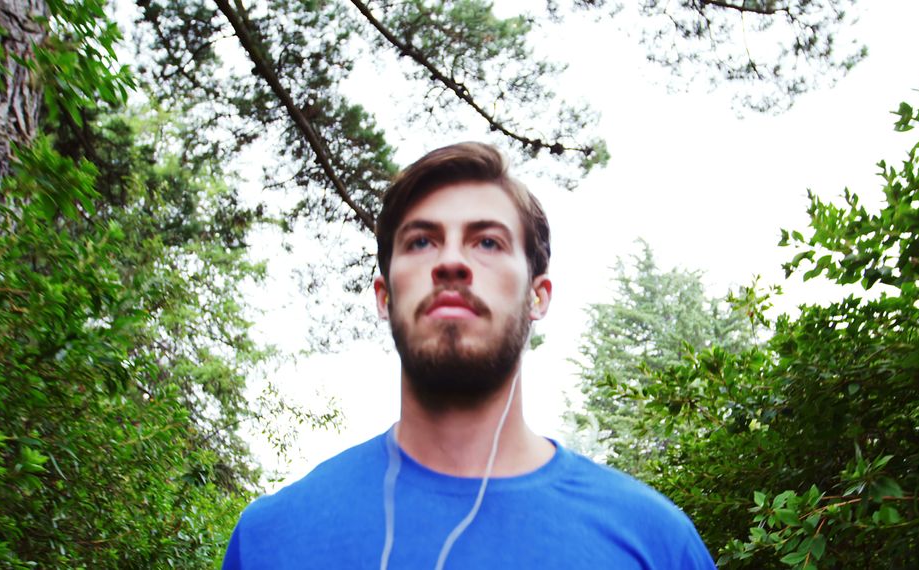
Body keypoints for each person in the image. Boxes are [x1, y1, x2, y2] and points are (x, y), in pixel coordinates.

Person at [222, 142, 717, 569]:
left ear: (537, 296)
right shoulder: (271, 539)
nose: (452, 262)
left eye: (487, 241)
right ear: (384, 295)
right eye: (421, 241)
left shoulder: (655, 544)